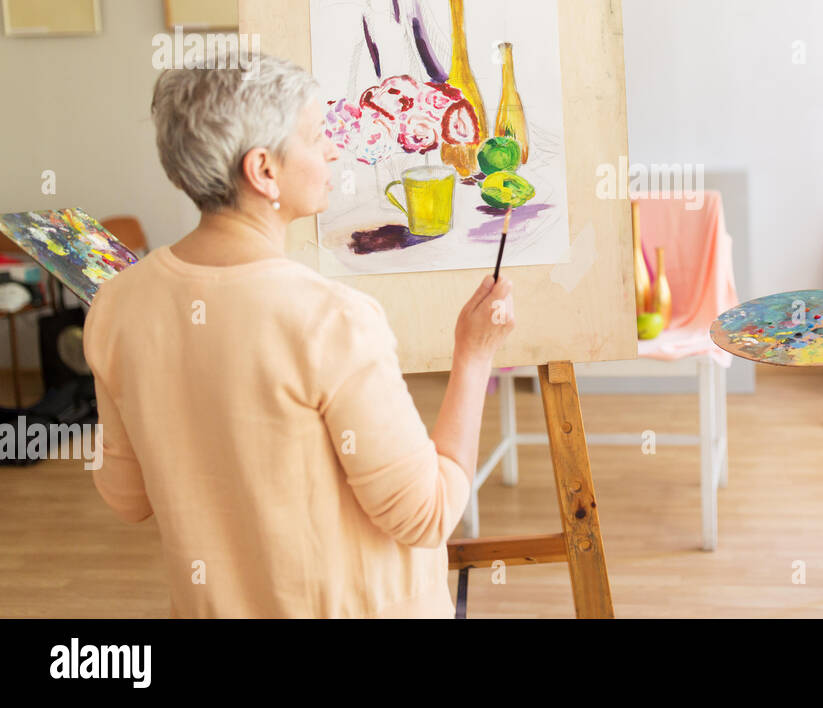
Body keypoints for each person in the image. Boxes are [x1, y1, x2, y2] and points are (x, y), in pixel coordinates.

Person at [83, 55, 514, 617]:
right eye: (315, 136)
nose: (333, 150)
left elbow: (126, 498)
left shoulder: (116, 304)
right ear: (263, 170)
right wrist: (474, 357)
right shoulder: (330, 319)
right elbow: (426, 515)